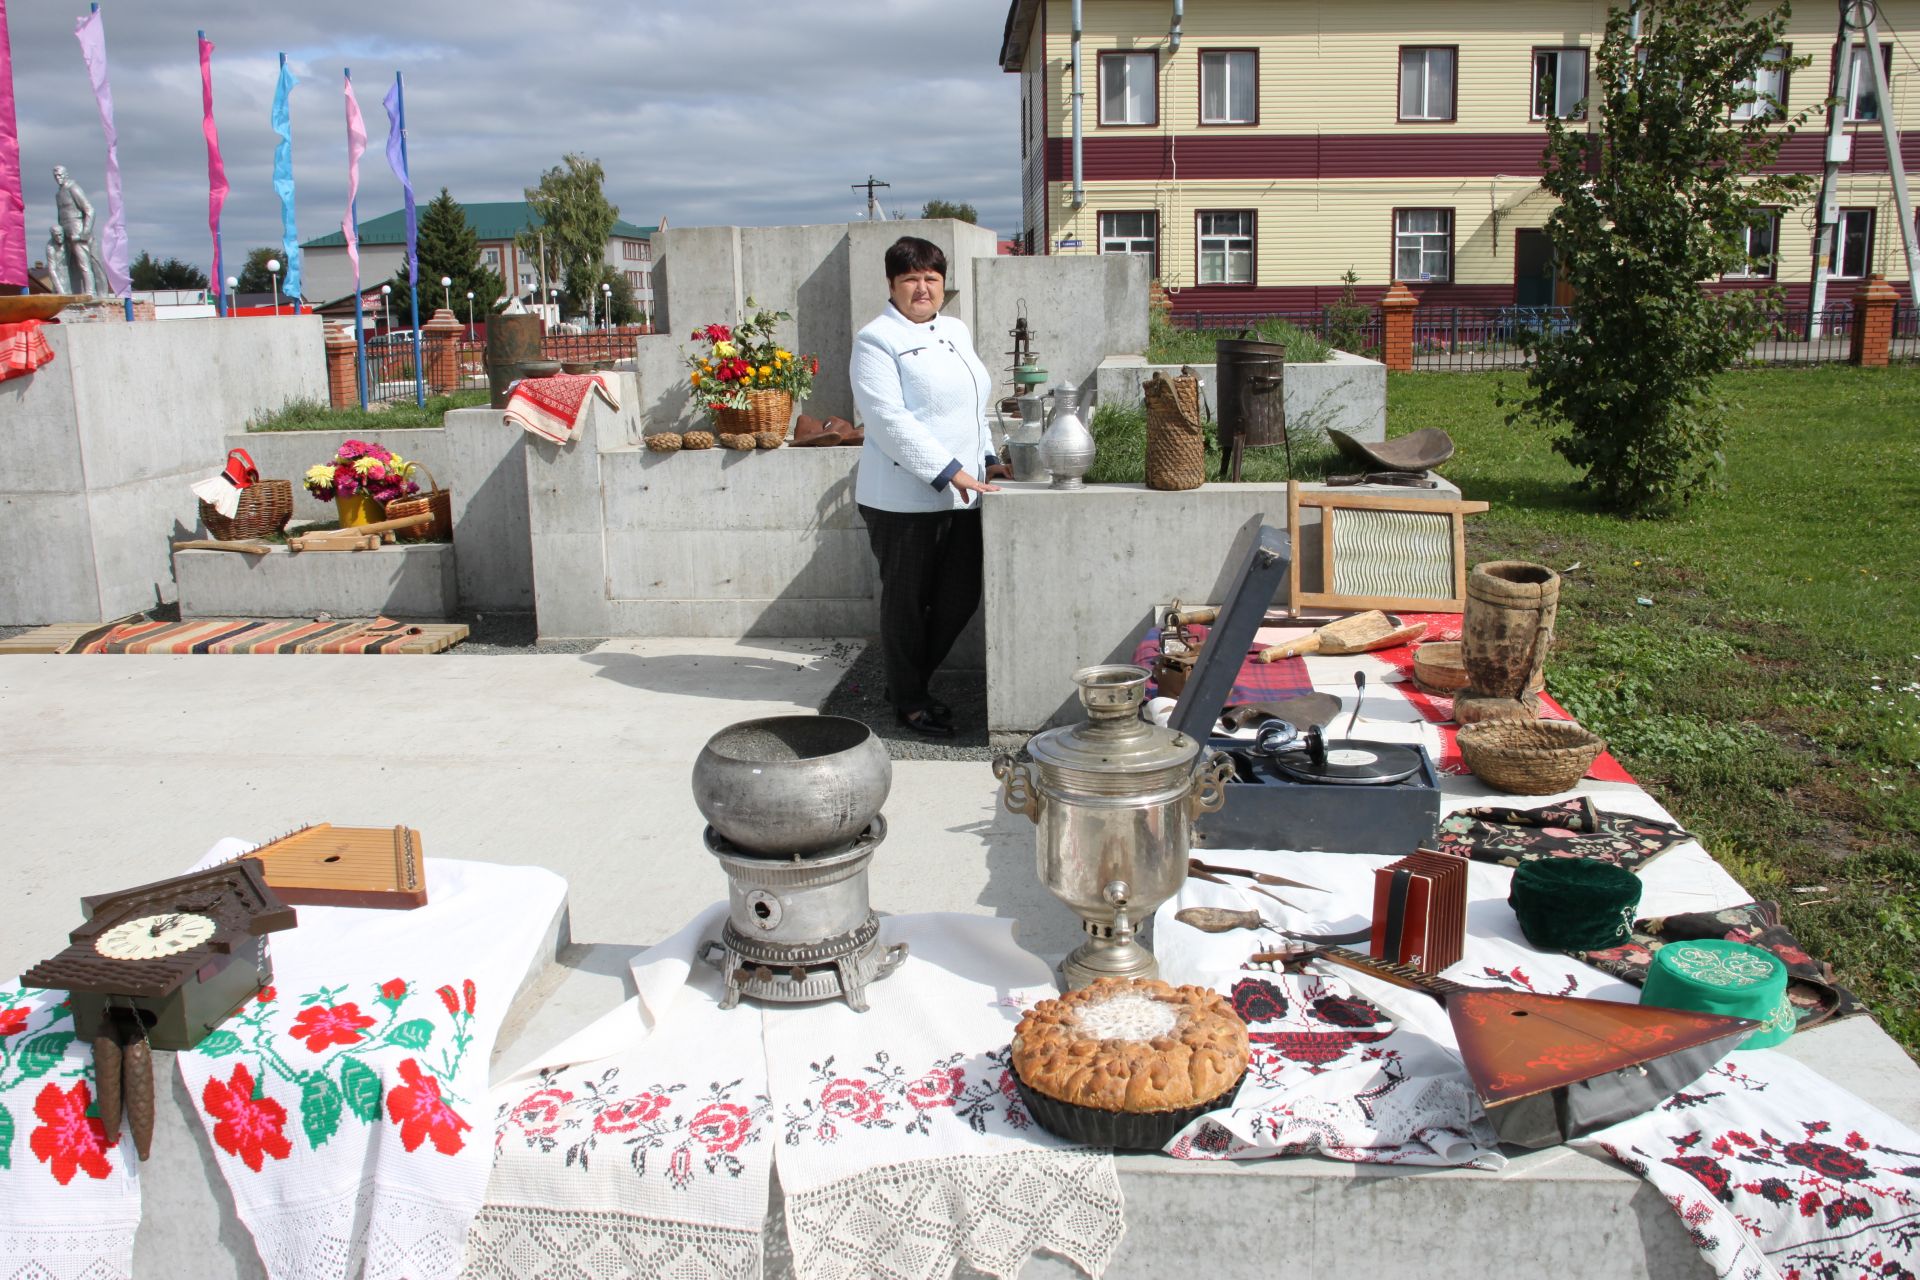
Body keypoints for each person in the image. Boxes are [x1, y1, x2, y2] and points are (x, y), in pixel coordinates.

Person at [850, 236, 1011, 738]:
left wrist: (987, 458)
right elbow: (887, 420)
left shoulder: (956, 330)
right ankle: (909, 702)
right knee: (906, 604)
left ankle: (905, 684)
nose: (922, 288)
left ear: (943, 284)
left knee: (959, 598)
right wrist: (948, 470)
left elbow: (972, 406)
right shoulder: (876, 340)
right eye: (910, 279)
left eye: (931, 278)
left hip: (964, 493)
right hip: (901, 500)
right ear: (892, 286)